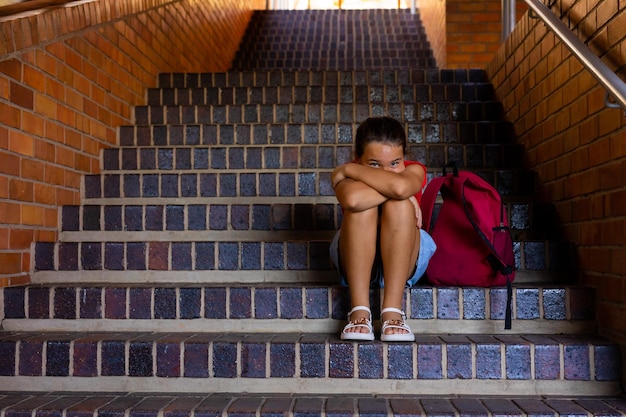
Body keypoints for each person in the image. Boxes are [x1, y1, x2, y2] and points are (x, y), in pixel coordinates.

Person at [329, 116, 436, 342]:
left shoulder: (414, 170)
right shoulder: (356, 178)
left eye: (395, 163)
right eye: (375, 164)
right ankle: (359, 310)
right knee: (365, 209)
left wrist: (348, 170)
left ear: (404, 158)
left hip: (403, 261)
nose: (386, 171)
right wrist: (402, 193)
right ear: (359, 159)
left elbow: (399, 188)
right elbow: (354, 200)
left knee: (399, 205)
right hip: (356, 260)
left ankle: (393, 312)